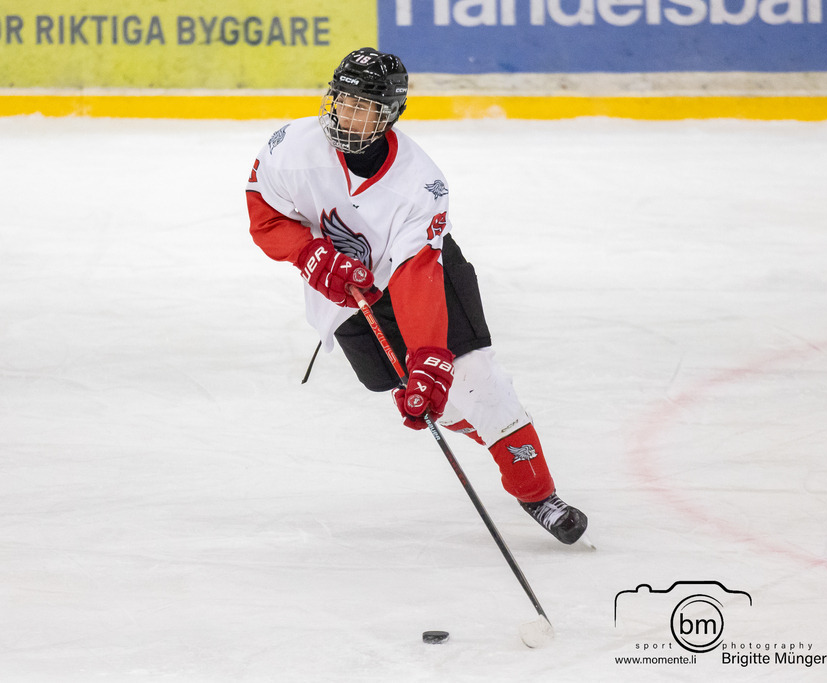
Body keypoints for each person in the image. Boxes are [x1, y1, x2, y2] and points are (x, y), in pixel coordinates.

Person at [245, 47, 588, 545]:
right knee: (432, 401)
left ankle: (538, 493)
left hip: (422, 276)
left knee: (477, 379)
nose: (346, 113)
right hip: (345, 296)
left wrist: (429, 355)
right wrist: (309, 255)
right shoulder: (291, 148)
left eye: (364, 107)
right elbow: (264, 213)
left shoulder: (419, 184)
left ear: (389, 115)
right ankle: (494, 434)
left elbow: (415, 274)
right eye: (343, 99)